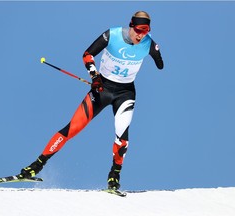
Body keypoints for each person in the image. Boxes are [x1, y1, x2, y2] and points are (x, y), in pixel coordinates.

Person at [20, 11, 164, 190]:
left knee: (122, 137)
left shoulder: (148, 44)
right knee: (72, 128)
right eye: (139, 30)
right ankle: (34, 167)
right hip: (102, 89)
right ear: (131, 26)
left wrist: (157, 53)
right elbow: (87, 54)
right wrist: (94, 76)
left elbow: (160, 64)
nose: (141, 35)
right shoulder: (112, 35)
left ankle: (114, 177)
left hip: (125, 93)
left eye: (146, 31)